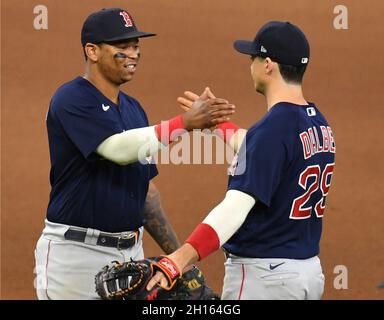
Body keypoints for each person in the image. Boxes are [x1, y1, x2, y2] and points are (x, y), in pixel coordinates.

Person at [34, 8, 235, 300]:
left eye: (136, 46)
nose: (133, 53)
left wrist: (178, 259)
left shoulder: (134, 110)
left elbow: (145, 194)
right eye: (122, 46)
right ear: (92, 51)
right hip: (75, 256)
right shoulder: (72, 99)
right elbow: (116, 149)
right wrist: (184, 124)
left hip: (130, 256)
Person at [147, 21, 336, 300]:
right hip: (307, 274)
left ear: (268, 65)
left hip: (265, 278)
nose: (250, 65)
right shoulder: (318, 123)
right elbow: (266, 148)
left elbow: (234, 209)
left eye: (253, 58)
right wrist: (216, 125)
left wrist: (179, 258)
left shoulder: (271, 131)